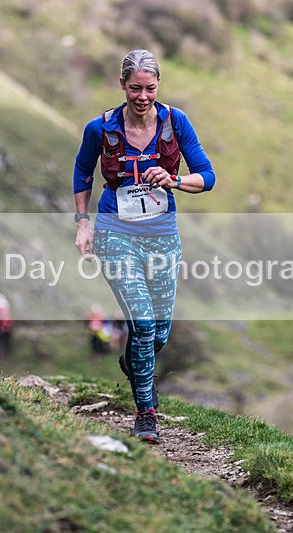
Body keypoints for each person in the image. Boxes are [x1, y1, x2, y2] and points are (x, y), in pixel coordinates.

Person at [72, 49, 215, 443]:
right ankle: (146, 415)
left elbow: (208, 176)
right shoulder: (99, 129)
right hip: (115, 233)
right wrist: (83, 224)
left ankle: (134, 362)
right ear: (122, 85)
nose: (143, 96)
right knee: (143, 321)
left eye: (150, 88)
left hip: (163, 237)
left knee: (158, 334)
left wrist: (174, 180)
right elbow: (83, 172)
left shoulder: (176, 122)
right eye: (135, 88)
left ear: (158, 86)